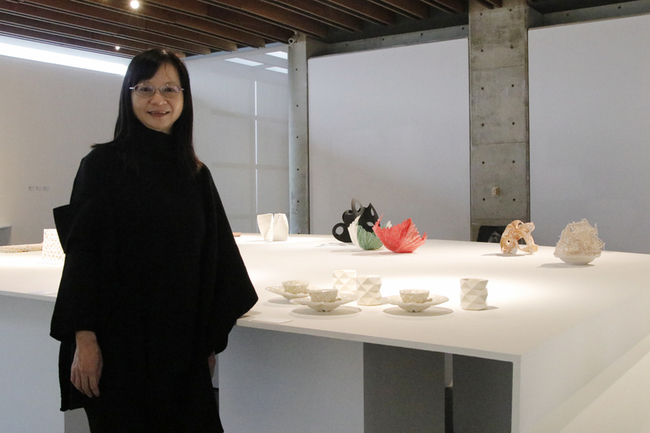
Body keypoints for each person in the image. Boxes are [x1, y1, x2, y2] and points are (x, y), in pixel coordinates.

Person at [50, 48, 258, 433]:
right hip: (117, 348)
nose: (158, 99)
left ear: (184, 98)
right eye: (145, 88)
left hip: (180, 351)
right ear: (128, 96)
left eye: (169, 89)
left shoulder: (195, 174)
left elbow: (216, 261)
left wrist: (208, 343)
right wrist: (85, 340)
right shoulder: (100, 166)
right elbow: (82, 259)